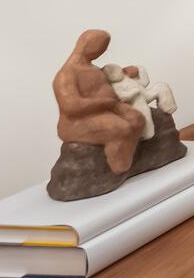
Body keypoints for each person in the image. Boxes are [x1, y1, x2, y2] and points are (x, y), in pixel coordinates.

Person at [52, 29, 146, 173]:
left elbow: (113, 78)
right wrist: (105, 103)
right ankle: (117, 167)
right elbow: (71, 106)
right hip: (76, 122)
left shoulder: (93, 69)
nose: (102, 51)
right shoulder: (66, 74)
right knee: (120, 128)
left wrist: (126, 73)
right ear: (88, 46)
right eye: (101, 46)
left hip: (107, 110)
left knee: (137, 118)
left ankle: (127, 154)